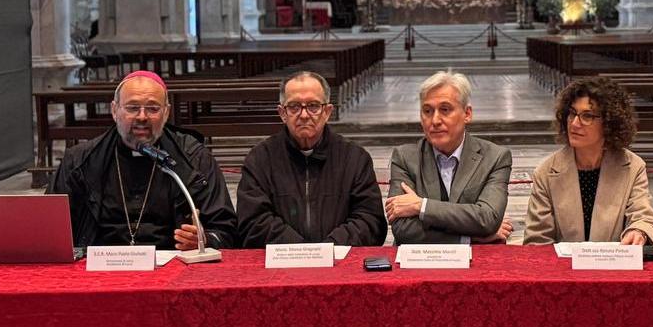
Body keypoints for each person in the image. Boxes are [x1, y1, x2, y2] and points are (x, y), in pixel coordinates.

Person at [48, 70, 238, 250]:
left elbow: (226, 230)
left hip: (174, 267)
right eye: (132, 108)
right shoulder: (80, 161)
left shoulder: (194, 159)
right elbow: (51, 231)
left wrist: (205, 240)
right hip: (98, 271)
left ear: (166, 113)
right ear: (114, 110)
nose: (142, 117)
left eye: (153, 108)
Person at [237, 71, 386, 247]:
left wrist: (330, 247)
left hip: (339, 262)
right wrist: (301, 250)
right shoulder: (260, 159)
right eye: (294, 106)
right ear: (282, 113)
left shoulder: (355, 158)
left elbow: (369, 219)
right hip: (281, 264)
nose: (304, 115)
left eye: (313, 106)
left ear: (327, 111)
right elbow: (252, 221)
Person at [524, 77, 653, 245]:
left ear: (609, 123)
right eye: (572, 113)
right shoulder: (546, 171)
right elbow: (537, 240)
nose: (574, 123)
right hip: (563, 268)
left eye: (587, 116)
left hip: (614, 267)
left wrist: (638, 231)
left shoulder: (633, 167)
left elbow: (643, 216)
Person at [385, 71, 513, 244]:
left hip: (478, 263)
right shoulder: (405, 158)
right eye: (427, 111)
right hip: (420, 263)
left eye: (445, 110)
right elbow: (403, 230)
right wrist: (469, 237)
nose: (435, 120)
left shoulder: (495, 157)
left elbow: (488, 219)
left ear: (467, 114)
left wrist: (420, 206)